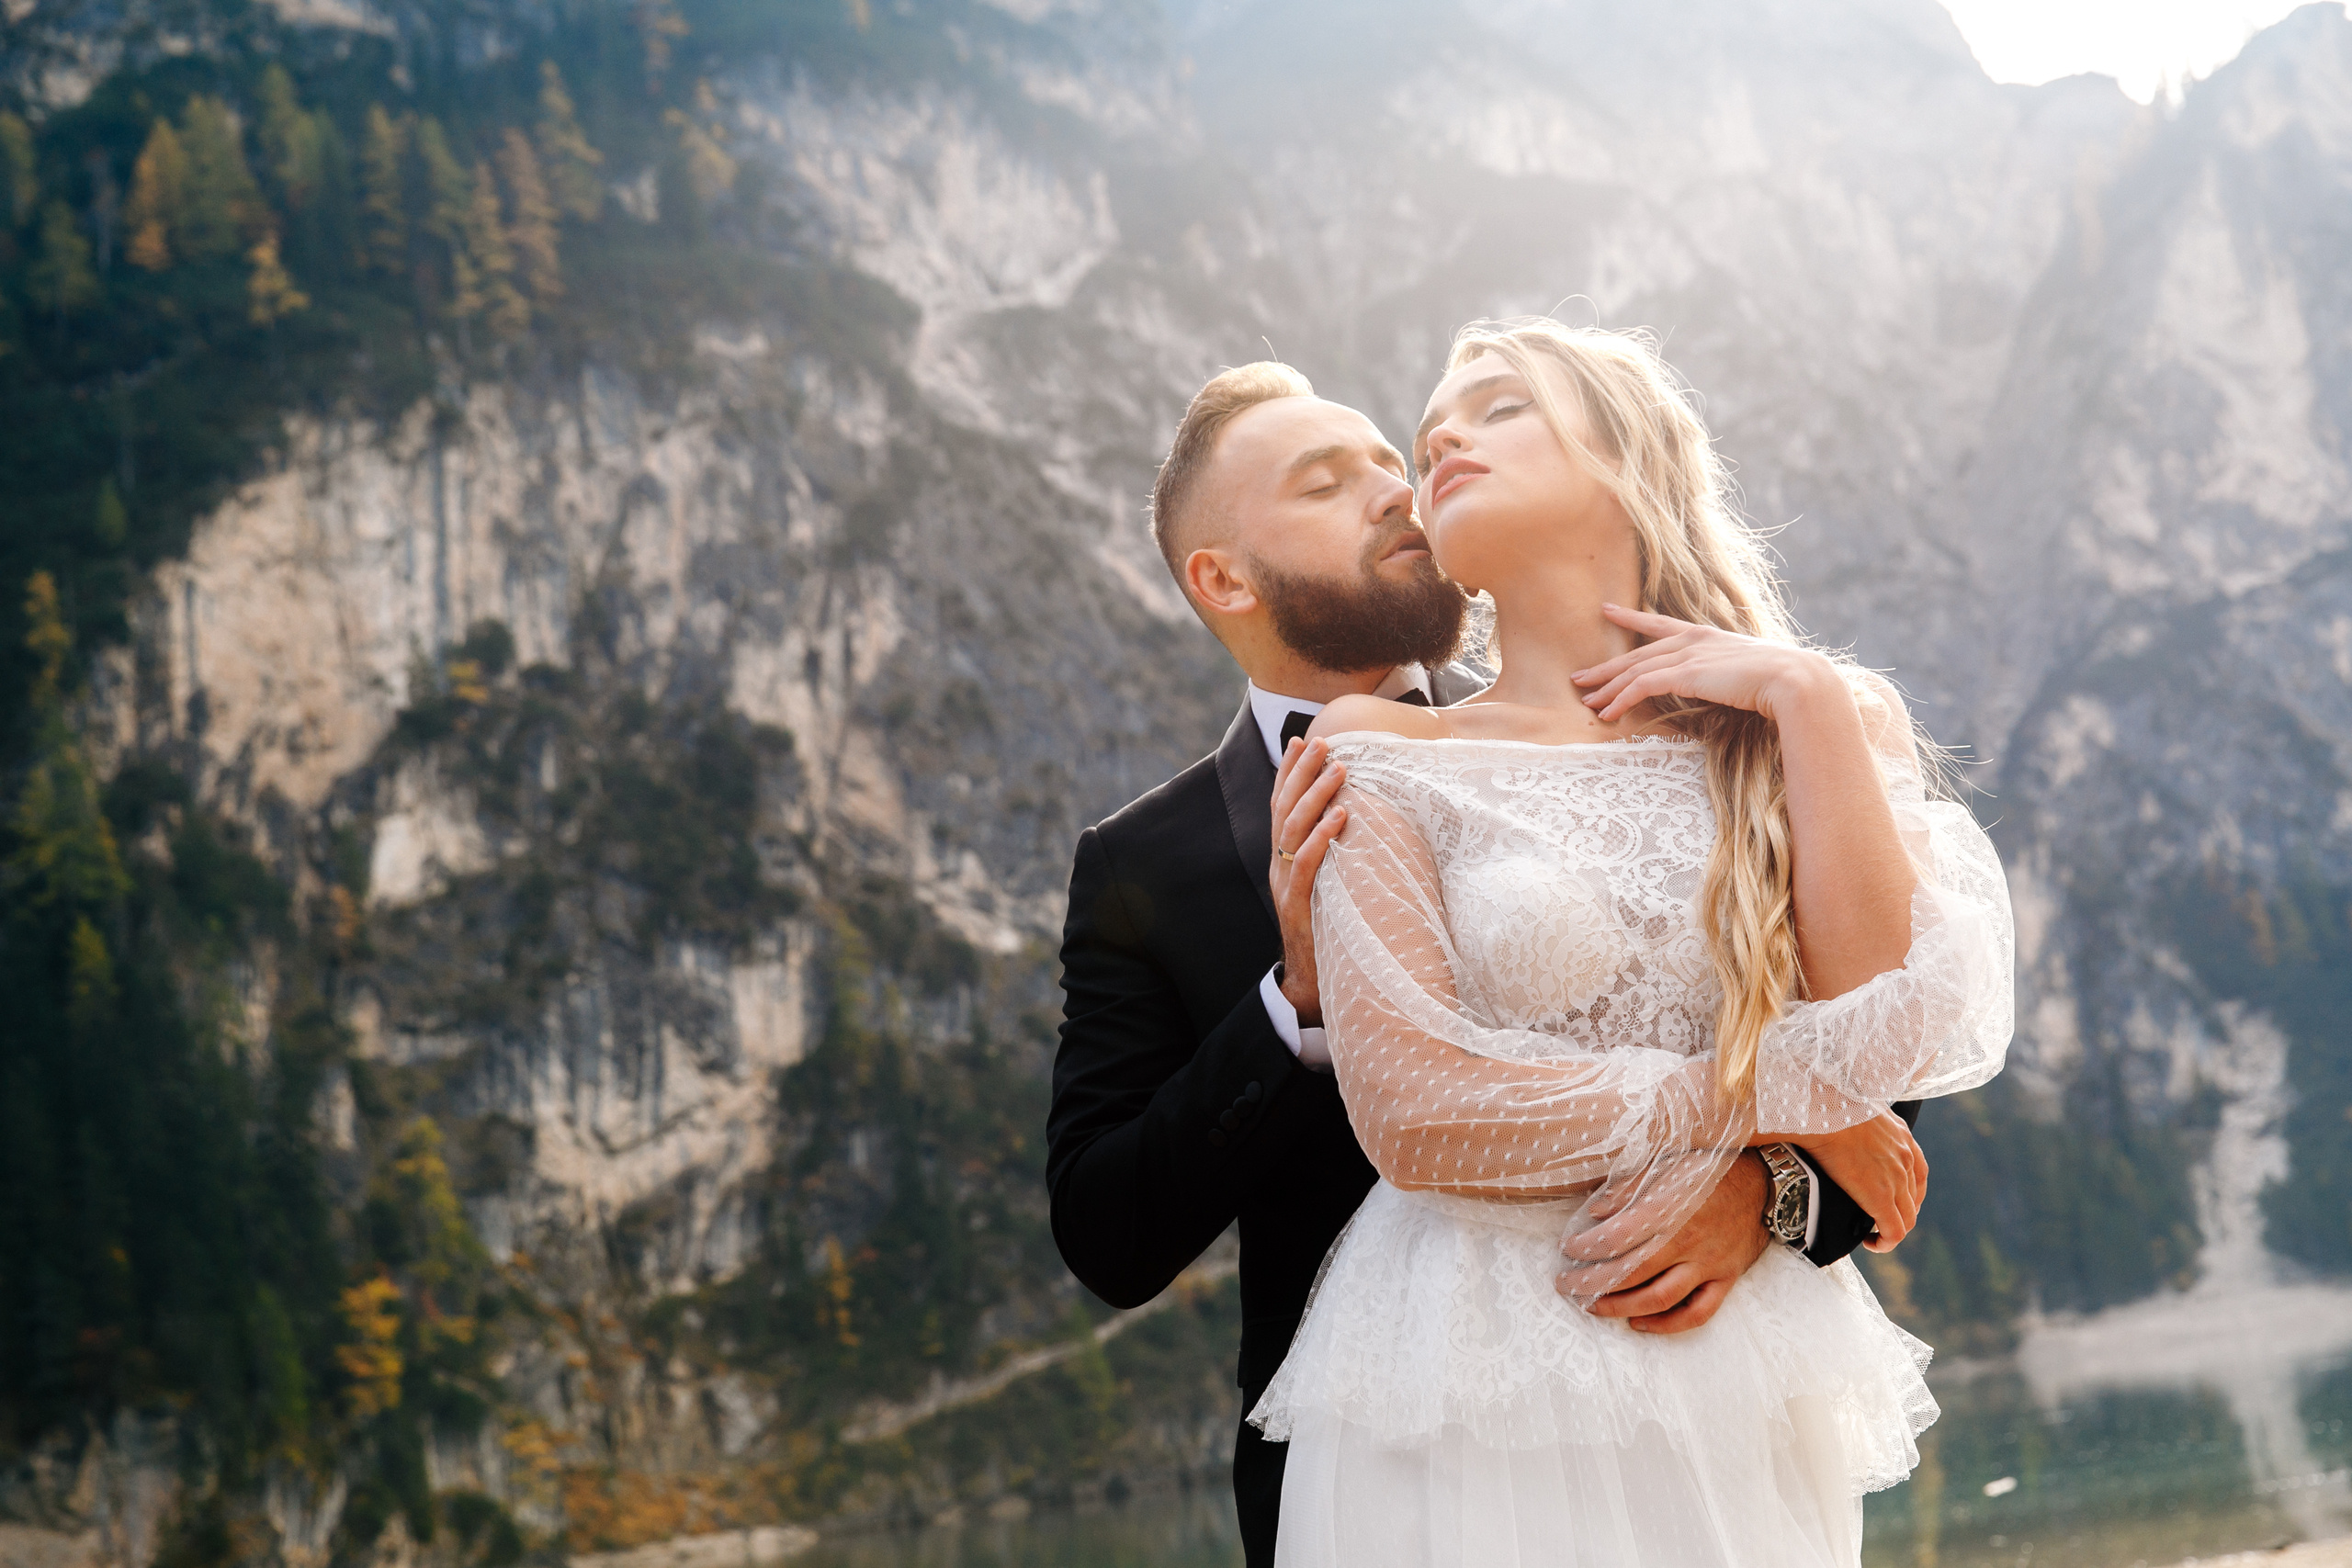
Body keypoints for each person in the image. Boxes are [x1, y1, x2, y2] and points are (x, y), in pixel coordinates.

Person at [1045, 359, 1931, 1568]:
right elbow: (1108, 1232)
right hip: (1389, 1460)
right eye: (1325, 482)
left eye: (1388, 463)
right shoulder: (1144, 865)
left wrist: (1764, 1181)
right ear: (1222, 577)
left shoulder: (1610, 721)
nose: (1395, 492)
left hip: (1700, 1393)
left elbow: (1859, 1031)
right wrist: (1293, 1005)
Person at [1247, 320, 2014, 1566]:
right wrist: (1779, 1112)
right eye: (1434, 419)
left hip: (1736, 1356)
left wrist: (1804, 698)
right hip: (1470, 1358)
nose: (1437, 435)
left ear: (1627, 452)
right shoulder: (1371, 755)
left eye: (1496, 404)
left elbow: (1891, 1027)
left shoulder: (1816, 717)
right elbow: (1413, 1111)